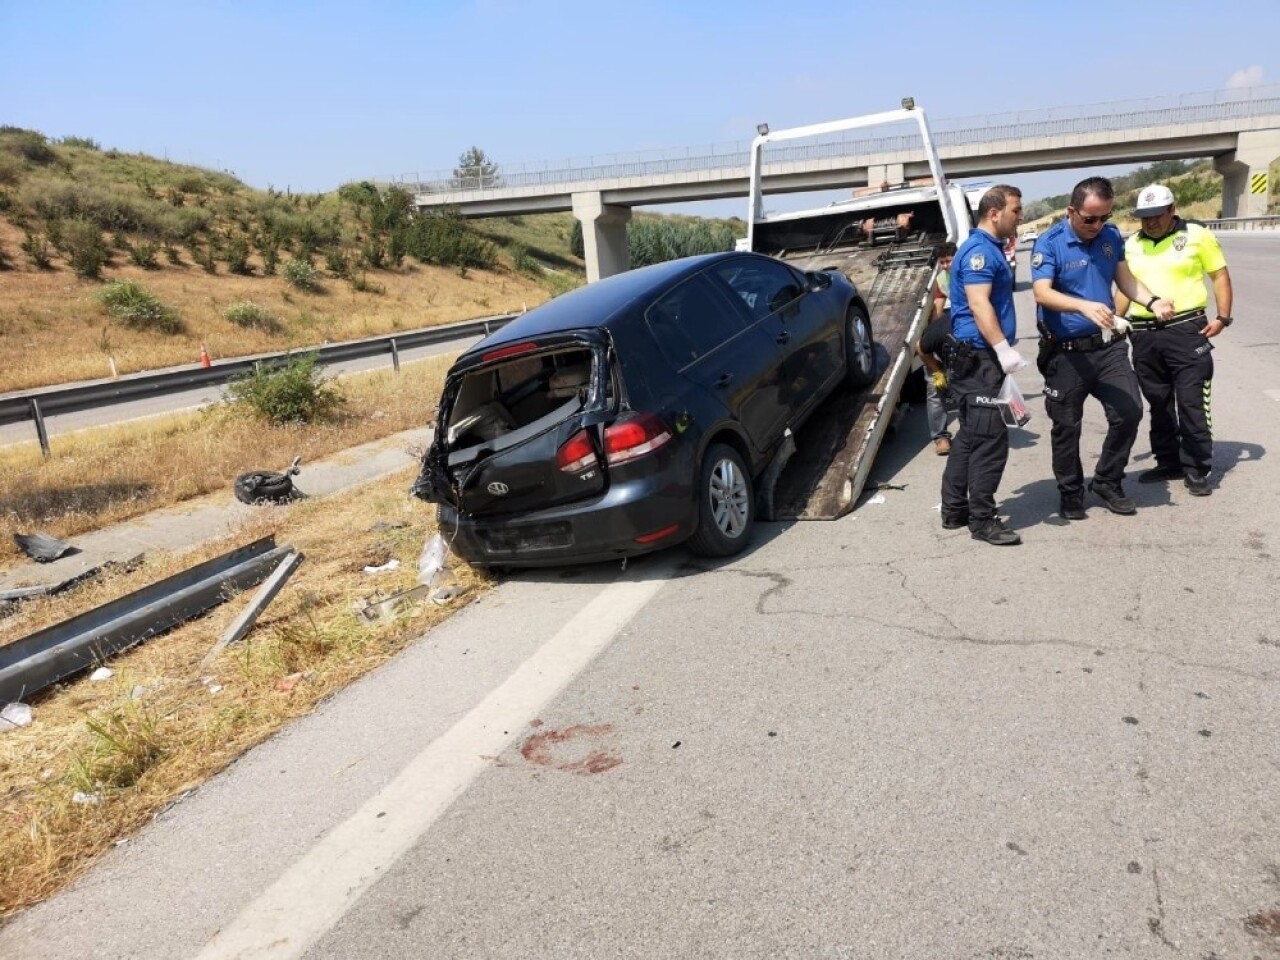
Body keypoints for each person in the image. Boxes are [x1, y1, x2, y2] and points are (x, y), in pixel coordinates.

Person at [1030, 176, 1174, 521]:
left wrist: (1151, 300)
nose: (1097, 225)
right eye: (1089, 218)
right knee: (1067, 425)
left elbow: (1124, 279)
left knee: (1129, 412)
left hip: (1107, 347)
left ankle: (1108, 480)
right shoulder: (1049, 243)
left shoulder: (1110, 236)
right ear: (1071, 211)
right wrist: (1082, 306)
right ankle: (1070, 491)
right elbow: (1041, 292)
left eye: (1104, 217)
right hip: (1065, 353)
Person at [1114, 183, 1233, 497]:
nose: (1150, 222)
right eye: (1144, 217)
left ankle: (1196, 467)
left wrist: (1222, 316)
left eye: (1156, 215)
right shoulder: (1132, 245)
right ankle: (1168, 462)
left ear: (1171, 210)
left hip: (1186, 331)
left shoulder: (1196, 235)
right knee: (1159, 404)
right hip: (1144, 336)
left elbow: (1219, 274)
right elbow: (1126, 288)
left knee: (1192, 402)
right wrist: (1114, 322)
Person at [940, 185, 1025, 546]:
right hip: (981, 359)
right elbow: (979, 304)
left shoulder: (986, 247)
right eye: (1016, 211)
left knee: (970, 437)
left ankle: (954, 510)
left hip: (972, 358)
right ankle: (983, 521)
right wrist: (1003, 349)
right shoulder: (980, 252)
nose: (1019, 217)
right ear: (995, 212)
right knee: (990, 440)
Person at [919, 242, 957, 455]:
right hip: (946, 332)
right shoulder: (942, 279)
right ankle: (940, 437)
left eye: (948, 260)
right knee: (935, 386)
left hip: (964, 332)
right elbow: (938, 308)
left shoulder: (968, 274)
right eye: (941, 262)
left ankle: (975, 429)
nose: (944, 266)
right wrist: (936, 333)